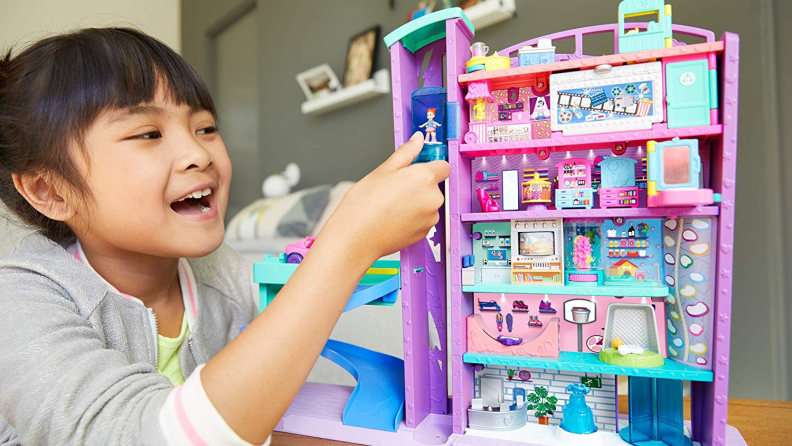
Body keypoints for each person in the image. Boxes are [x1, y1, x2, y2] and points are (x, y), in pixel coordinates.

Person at [0, 28, 449, 446]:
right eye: (148, 133)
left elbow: (256, 415)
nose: (198, 154)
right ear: (49, 191)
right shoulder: (20, 302)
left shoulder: (223, 274)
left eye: (206, 128)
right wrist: (348, 243)